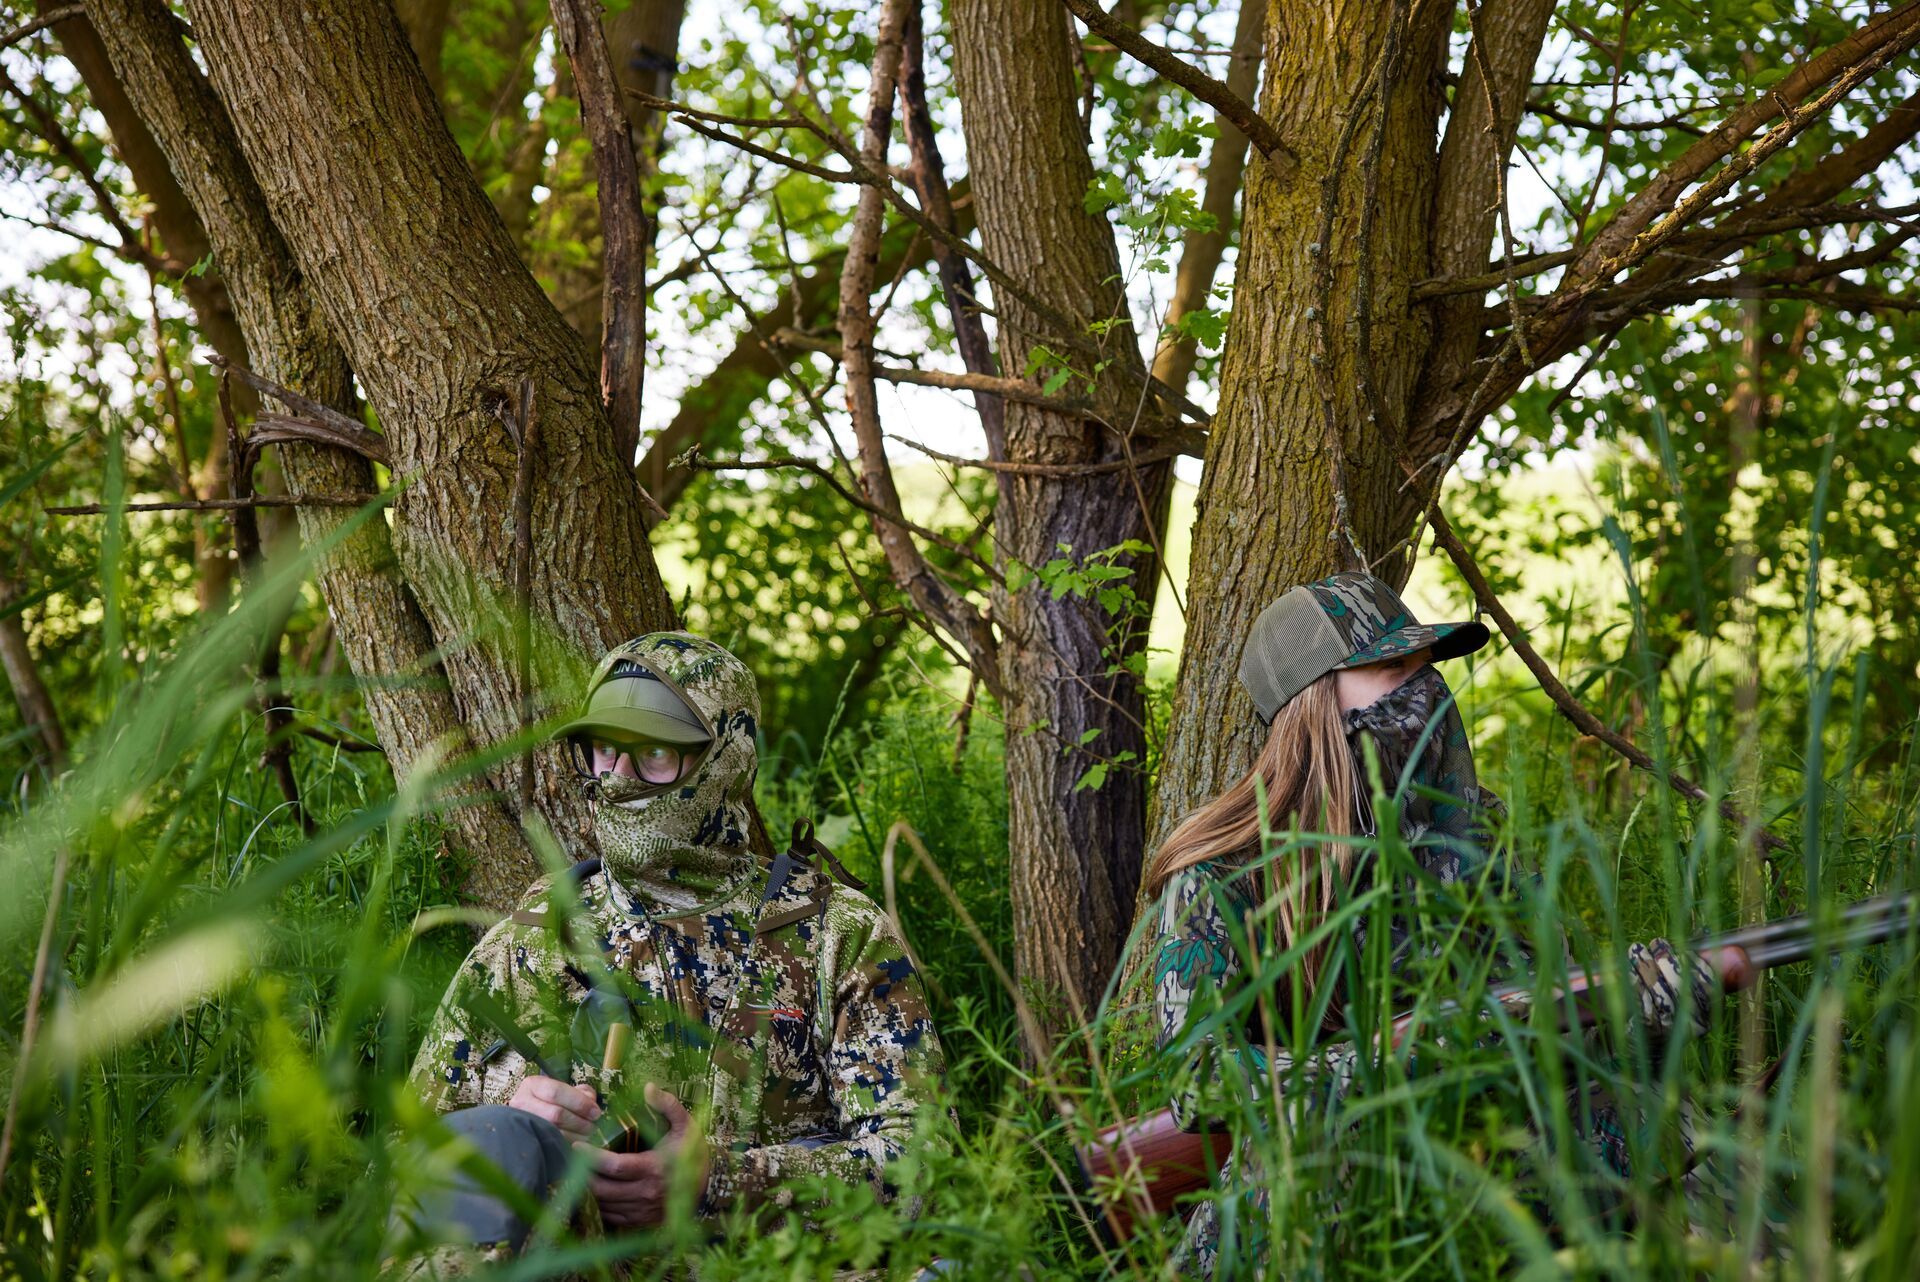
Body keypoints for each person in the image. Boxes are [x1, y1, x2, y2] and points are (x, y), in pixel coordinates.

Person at [1146, 572, 1748, 1277]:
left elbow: (1537, 1004)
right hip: (1343, 1178)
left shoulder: (1468, 828)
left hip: (1492, 1144)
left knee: (1674, 1130)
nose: (1425, 686)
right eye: (1393, 667)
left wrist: (1639, 999)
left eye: (1426, 666)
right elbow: (1199, 1081)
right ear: (1312, 702)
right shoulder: (1225, 870)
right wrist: (1401, 1058)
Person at [397, 632, 947, 1269]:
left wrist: (724, 1184)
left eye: (653, 753)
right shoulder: (535, 938)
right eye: (605, 751)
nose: (618, 780)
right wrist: (503, 1132)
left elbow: (924, 1164)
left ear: (727, 762)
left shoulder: (832, 934)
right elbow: (403, 1159)